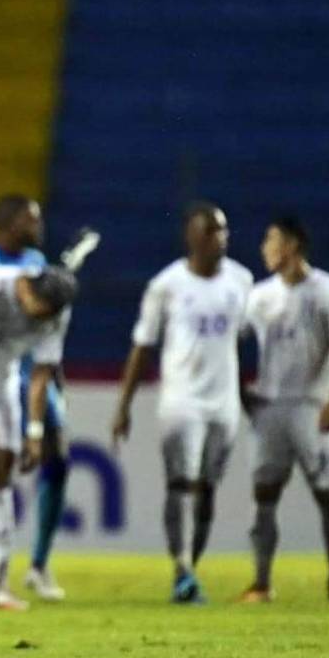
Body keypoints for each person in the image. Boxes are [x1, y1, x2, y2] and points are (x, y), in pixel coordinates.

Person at [111, 202, 252, 604]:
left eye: (223, 230)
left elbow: (239, 341)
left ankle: (193, 566)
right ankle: (182, 570)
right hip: (181, 401)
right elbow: (142, 348)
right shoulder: (166, 285)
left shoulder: (241, 281)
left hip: (223, 404)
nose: (220, 238)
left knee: (207, 489)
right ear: (191, 237)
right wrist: (123, 405)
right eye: (211, 231)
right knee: (181, 484)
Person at [0, 194, 72, 603]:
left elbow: (48, 326)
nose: (38, 225)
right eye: (31, 218)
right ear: (9, 222)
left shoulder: (39, 262)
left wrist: (56, 379)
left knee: (58, 456)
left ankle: (38, 564)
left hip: (33, 375)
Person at [239, 217, 329, 605]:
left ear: (290, 245)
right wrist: (241, 393)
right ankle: (261, 583)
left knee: (327, 493)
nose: (263, 248)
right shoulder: (259, 296)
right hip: (269, 408)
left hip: (311, 407)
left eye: (269, 240)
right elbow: (230, 343)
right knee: (264, 494)